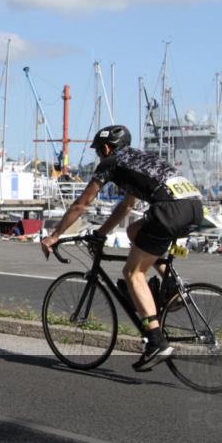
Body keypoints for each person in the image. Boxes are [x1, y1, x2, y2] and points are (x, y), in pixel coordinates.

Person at [41, 125, 204, 372]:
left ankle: (156, 341)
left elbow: (81, 204)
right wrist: (100, 234)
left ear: (107, 148)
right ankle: (170, 286)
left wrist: (55, 235)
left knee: (132, 273)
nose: (99, 156)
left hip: (169, 211)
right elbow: (126, 207)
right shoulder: (139, 159)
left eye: (98, 151)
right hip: (194, 206)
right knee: (133, 232)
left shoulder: (112, 162)